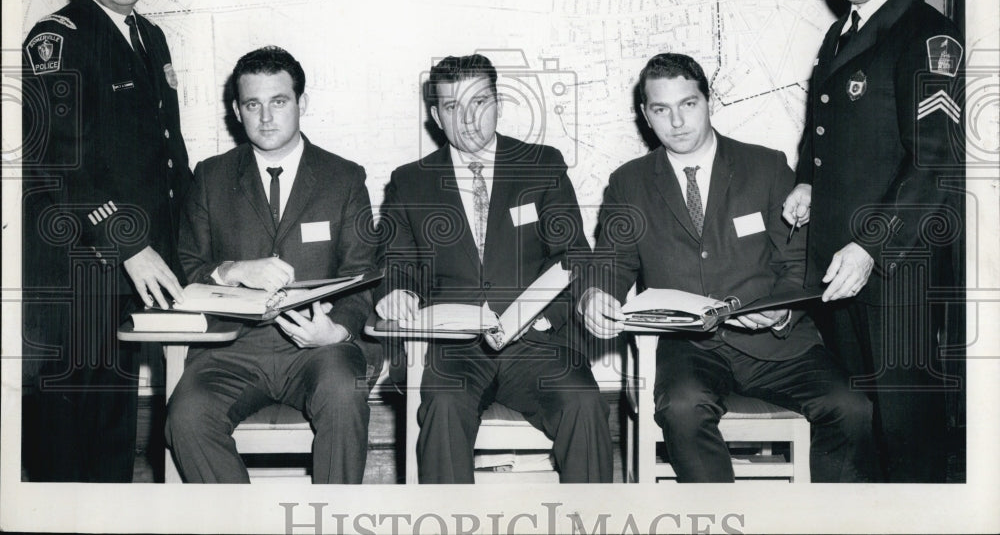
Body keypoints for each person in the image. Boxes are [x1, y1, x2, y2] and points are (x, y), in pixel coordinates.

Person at [581, 53, 873, 482]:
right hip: (689, 348)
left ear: (707, 101)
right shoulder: (630, 182)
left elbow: (797, 262)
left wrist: (781, 310)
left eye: (689, 104)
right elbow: (612, 261)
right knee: (681, 410)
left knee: (852, 408)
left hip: (778, 347)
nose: (677, 121)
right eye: (661, 109)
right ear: (645, 115)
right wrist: (596, 293)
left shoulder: (766, 166)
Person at [783, 0, 964, 481]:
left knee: (905, 427)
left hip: (894, 268)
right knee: (857, 423)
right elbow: (831, 127)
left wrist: (871, 247)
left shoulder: (928, 35)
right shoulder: (843, 32)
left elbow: (938, 162)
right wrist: (808, 179)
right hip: (841, 264)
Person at [375, 53, 613, 483]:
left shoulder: (541, 164)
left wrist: (543, 318)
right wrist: (399, 292)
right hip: (454, 348)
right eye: (452, 107)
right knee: (444, 406)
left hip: (538, 342)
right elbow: (396, 263)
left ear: (498, 102)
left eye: (479, 103)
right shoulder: (410, 181)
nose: (467, 120)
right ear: (435, 116)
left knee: (584, 403)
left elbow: (573, 255)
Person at [21, 0, 192, 482]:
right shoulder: (57, 40)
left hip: (142, 259)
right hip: (85, 262)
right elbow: (58, 160)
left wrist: (187, 243)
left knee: (118, 418)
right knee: (77, 422)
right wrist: (128, 243)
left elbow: (170, 153)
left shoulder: (150, 35)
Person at [164, 46, 378, 483]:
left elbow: (365, 275)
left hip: (322, 349)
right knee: (185, 416)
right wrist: (231, 270)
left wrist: (335, 331)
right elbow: (187, 268)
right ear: (236, 111)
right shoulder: (210, 176)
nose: (265, 117)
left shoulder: (344, 178)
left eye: (278, 102)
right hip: (232, 349)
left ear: (301, 103)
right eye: (252, 104)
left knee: (343, 394)